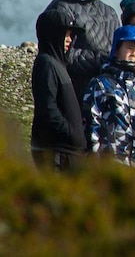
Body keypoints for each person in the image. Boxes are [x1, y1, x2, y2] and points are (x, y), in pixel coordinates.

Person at [83, 25, 135, 165]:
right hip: (110, 165)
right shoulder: (101, 84)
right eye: (129, 48)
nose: (134, 53)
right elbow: (91, 124)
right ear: (117, 49)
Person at [55, 0, 120, 104]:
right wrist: (103, 59)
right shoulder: (62, 8)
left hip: (107, 94)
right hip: (75, 94)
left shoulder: (110, 12)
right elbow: (60, 53)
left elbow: (118, 49)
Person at [30, 9, 85, 171]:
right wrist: (71, 134)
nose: (69, 40)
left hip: (64, 154)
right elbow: (47, 108)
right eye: (65, 34)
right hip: (55, 153)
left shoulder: (58, 65)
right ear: (52, 34)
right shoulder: (46, 64)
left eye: (70, 35)